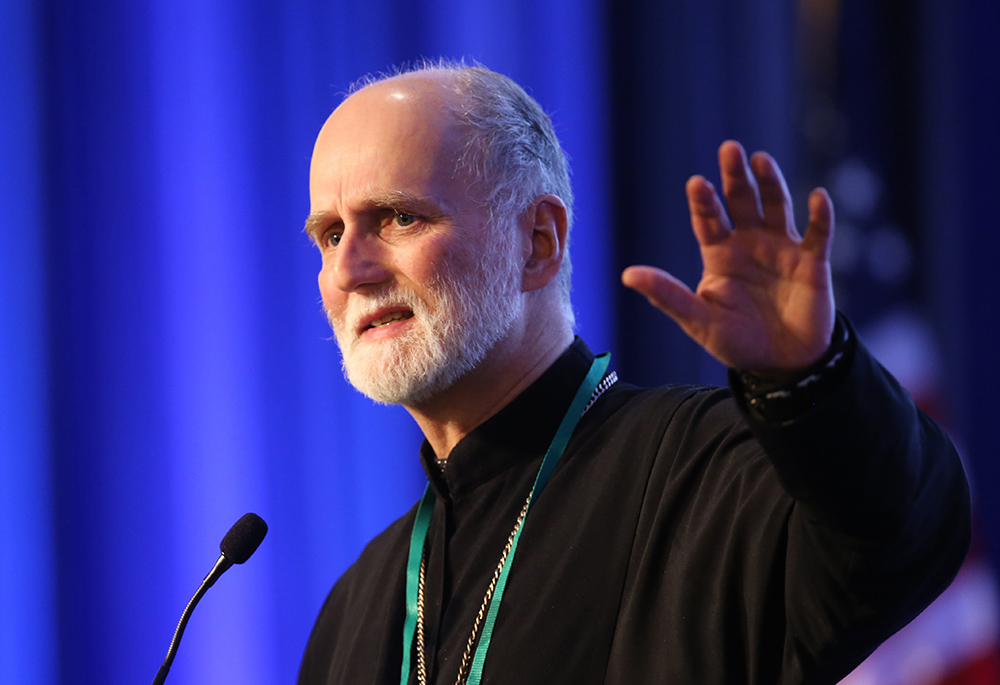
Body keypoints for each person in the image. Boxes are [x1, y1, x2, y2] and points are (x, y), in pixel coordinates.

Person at [298, 63, 970, 685]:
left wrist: (811, 380)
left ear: (537, 242)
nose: (350, 270)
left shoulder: (710, 477)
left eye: (400, 217)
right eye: (331, 234)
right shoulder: (356, 607)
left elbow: (901, 533)